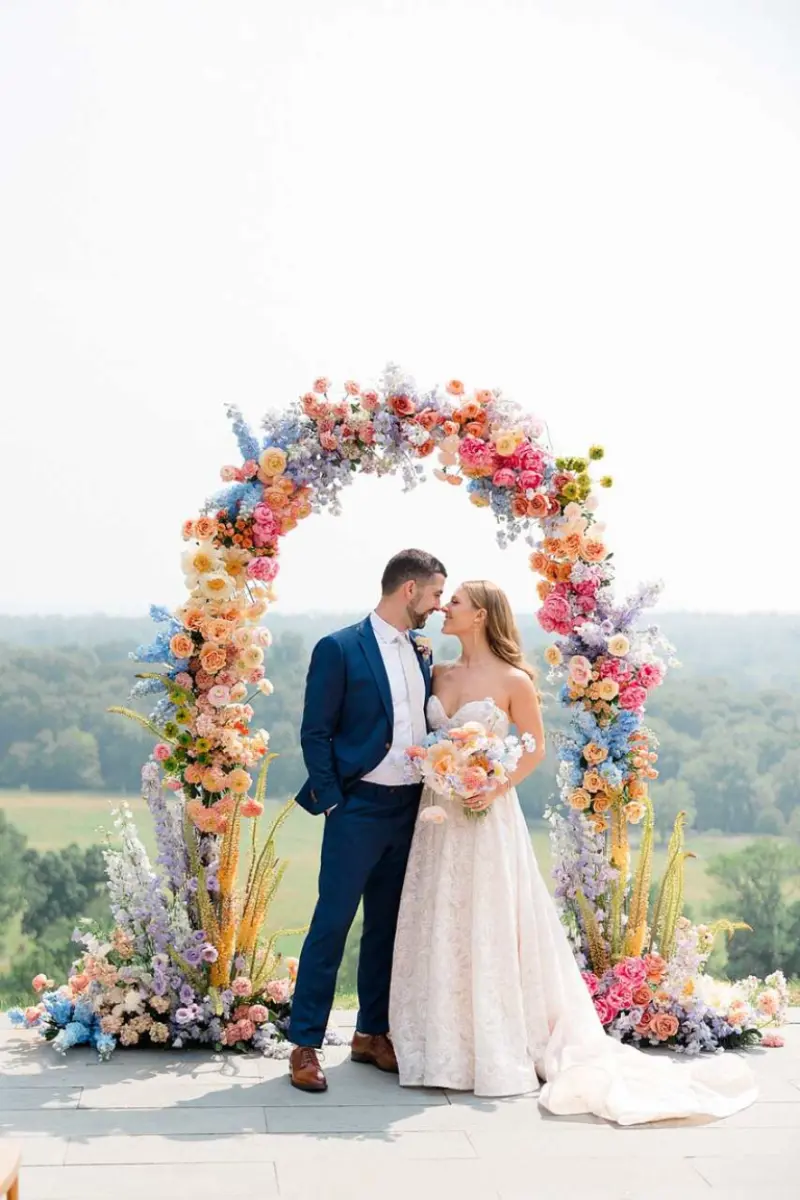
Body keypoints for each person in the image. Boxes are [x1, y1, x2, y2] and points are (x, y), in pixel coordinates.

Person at [389, 580, 757, 1124]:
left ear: (483, 615)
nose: (446, 608)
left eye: (457, 602)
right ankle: (433, 1042)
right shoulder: (437, 672)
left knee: (487, 918)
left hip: (487, 816)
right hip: (438, 816)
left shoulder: (514, 681)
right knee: (439, 917)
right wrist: (436, 765)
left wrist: (491, 783)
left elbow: (533, 748)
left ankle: (491, 1045)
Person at [288, 549, 447, 1092]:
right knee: (332, 924)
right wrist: (335, 802)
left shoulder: (421, 652)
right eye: (434, 595)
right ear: (409, 590)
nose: (437, 606)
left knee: (387, 927)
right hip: (356, 808)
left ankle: (370, 1033)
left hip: (410, 810)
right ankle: (304, 1044)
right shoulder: (338, 648)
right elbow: (315, 731)